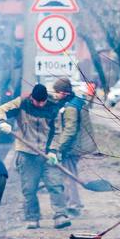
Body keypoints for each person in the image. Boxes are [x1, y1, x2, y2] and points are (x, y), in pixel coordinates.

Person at [0, 83, 70, 229]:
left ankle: (60, 215)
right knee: (29, 189)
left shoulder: (53, 107)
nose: (40, 104)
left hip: (48, 154)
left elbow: (57, 132)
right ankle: (32, 218)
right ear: (32, 98)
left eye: (43, 101)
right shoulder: (21, 103)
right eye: (37, 101)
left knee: (55, 185)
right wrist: (2, 122)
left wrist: (53, 151)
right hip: (26, 154)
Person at [46, 77, 97, 218]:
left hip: (73, 147)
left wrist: (58, 148)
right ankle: (72, 203)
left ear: (63, 92)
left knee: (69, 177)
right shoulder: (77, 101)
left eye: (56, 92)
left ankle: (74, 206)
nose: (55, 95)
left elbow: (70, 130)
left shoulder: (70, 108)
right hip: (78, 145)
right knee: (69, 175)